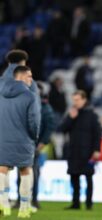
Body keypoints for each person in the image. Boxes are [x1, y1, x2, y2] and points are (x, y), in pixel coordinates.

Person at [0, 66, 40, 218]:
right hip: (23, 139)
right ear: (21, 77)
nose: (31, 80)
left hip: (3, 139)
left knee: (2, 169)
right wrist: (34, 136)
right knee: (25, 170)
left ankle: (4, 204)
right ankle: (24, 208)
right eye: (29, 76)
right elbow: (34, 121)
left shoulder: (1, 93)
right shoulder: (30, 96)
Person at [59, 90, 101, 210]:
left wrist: (96, 150)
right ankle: (75, 203)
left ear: (84, 100)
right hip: (74, 152)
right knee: (74, 178)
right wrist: (70, 119)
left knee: (89, 178)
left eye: (77, 100)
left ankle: (89, 204)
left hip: (88, 153)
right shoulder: (72, 114)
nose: (75, 102)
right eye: (74, 100)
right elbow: (61, 129)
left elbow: (97, 134)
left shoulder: (92, 115)